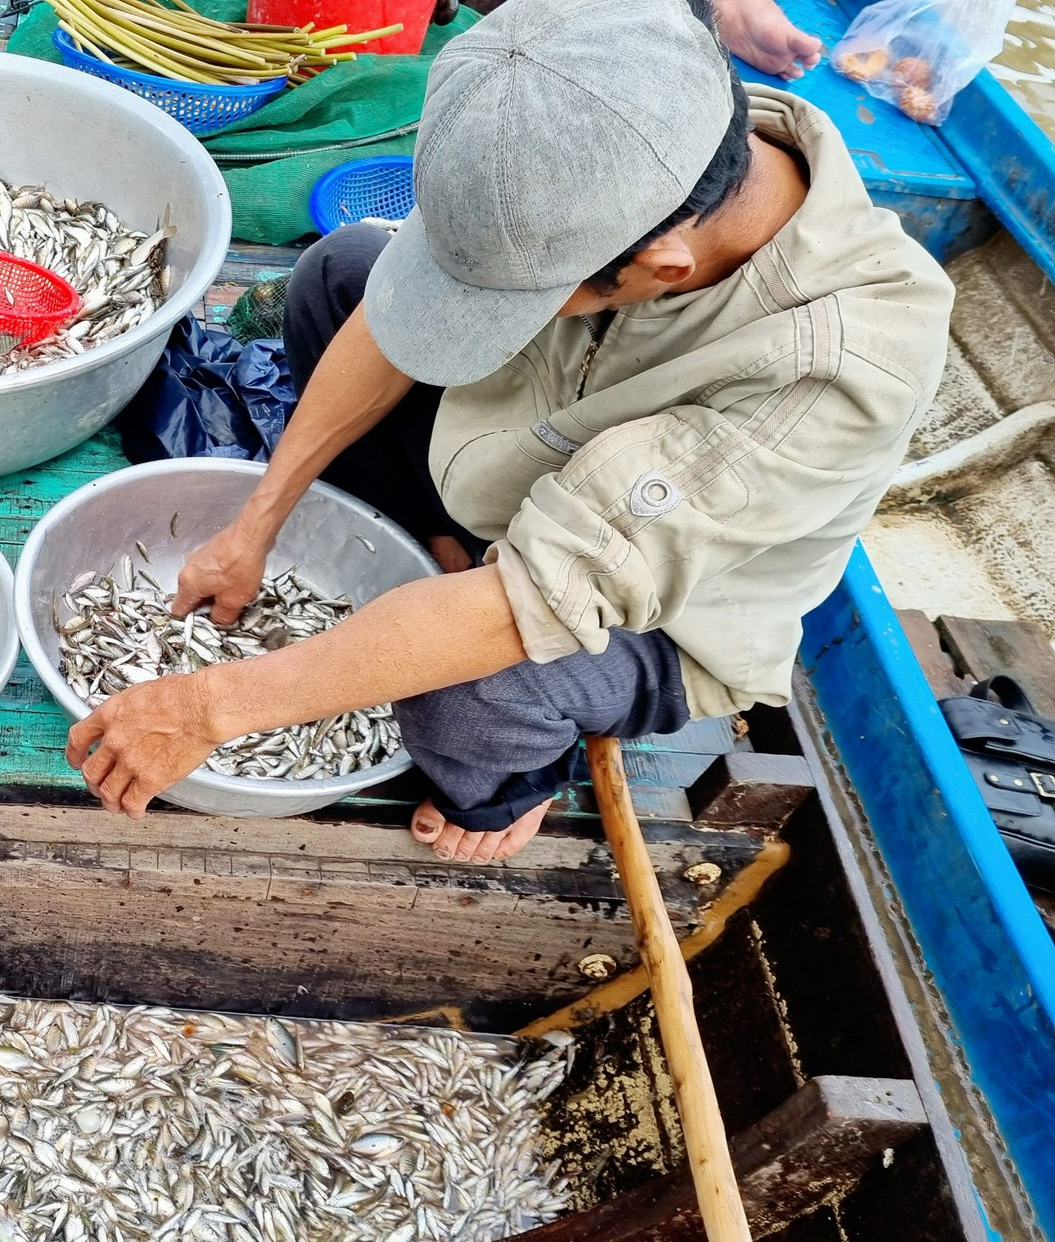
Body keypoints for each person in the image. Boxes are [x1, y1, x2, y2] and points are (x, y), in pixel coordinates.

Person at [66, 0, 952, 862]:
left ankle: (510, 794)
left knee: (468, 702)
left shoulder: (832, 365)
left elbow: (533, 604)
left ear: (658, 268)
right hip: (524, 457)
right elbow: (386, 313)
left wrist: (211, 706)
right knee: (340, 277)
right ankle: (441, 548)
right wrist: (255, 523)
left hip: (663, 613)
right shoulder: (611, 119)